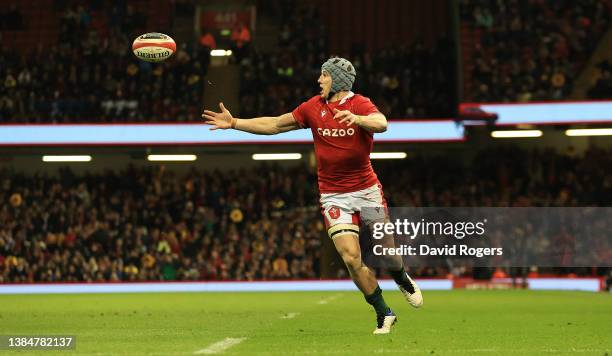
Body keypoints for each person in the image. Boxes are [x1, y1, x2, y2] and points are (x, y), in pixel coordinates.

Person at [202, 57, 423, 334]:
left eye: (324, 76)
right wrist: (235, 122)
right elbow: (274, 125)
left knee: (388, 254)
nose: (319, 80)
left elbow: (382, 123)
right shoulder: (312, 107)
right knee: (351, 258)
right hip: (333, 196)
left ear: (338, 80)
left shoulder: (360, 104)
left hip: (367, 192)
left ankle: (401, 278)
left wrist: (358, 119)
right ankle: (383, 312)